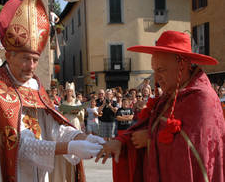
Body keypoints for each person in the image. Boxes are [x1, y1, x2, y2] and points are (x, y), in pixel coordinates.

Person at [0, 0, 105, 182]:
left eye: (35, 60)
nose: (31, 66)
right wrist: (69, 148)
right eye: (25, 58)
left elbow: (54, 129)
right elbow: (22, 145)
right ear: (8, 56)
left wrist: (81, 137)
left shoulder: (35, 86)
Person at [96, 31, 225, 182]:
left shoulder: (203, 98)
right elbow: (145, 125)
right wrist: (121, 141)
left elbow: (198, 150)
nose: (156, 79)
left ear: (182, 65)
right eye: (154, 70)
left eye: (161, 70)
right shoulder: (168, 96)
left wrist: (152, 140)